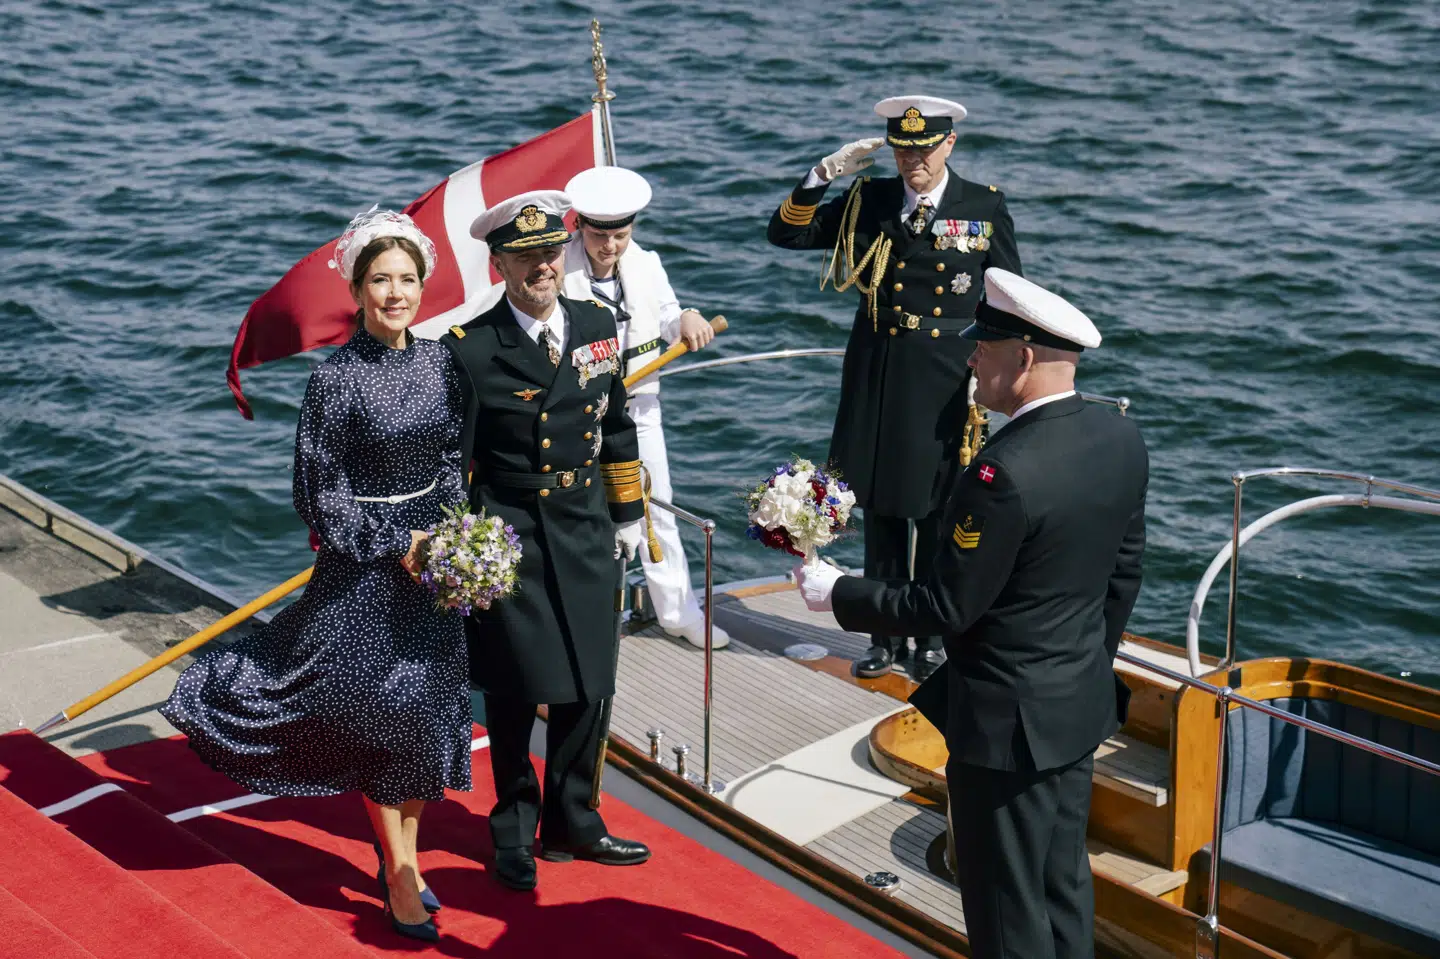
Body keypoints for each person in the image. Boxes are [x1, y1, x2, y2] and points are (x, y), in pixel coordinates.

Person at [793, 268, 1147, 959]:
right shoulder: (1117, 436)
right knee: (1062, 888)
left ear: (1022, 357)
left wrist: (838, 593)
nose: (970, 358)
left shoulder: (1001, 472)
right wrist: (1076, 672)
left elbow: (945, 604)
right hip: (1076, 709)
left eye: (983, 346)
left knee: (1004, 913)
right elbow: (1122, 576)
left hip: (1003, 733)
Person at [161, 209, 471, 943]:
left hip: (437, 569)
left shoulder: (441, 363)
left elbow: (455, 456)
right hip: (363, 569)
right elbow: (318, 490)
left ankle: (404, 855)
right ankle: (399, 870)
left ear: (423, 285)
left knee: (425, 716)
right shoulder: (334, 379)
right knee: (375, 711)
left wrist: (459, 534)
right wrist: (398, 541)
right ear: (359, 291)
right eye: (380, 281)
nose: (395, 293)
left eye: (406, 279)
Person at [767, 95, 1023, 683]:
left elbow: (1009, 297)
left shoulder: (982, 206)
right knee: (880, 509)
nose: (915, 161)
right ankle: (883, 636)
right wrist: (823, 175)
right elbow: (785, 235)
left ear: (949, 145)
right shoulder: (869, 200)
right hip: (878, 373)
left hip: (947, 379)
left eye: (926, 149)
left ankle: (931, 635)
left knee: (938, 510)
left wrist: (1005, 382)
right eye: (904, 150)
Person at [440, 190, 652, 894]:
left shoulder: (597, 324)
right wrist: (460, 552)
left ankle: (573, 821)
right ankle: (512, 827)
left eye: (551, 251)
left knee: (591, 685)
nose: (543, 265)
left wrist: (628, 516)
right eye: (526, 256)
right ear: (498, 266)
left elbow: (616, 425)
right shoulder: (470, 351)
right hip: (512, 540)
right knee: (514, 689)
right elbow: (452, 466)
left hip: (588, 528)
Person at [562, 165, 731, 650]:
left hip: (639, 410)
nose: (610, 246)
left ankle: (679, 612)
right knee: (583, 513)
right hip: (580, 416)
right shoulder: (558, 268)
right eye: (599, 236)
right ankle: (585, 620)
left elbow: (666, 314)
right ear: (579, 227)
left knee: (658, 506)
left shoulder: (646, 263)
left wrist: (687, 318)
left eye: (620, 234)